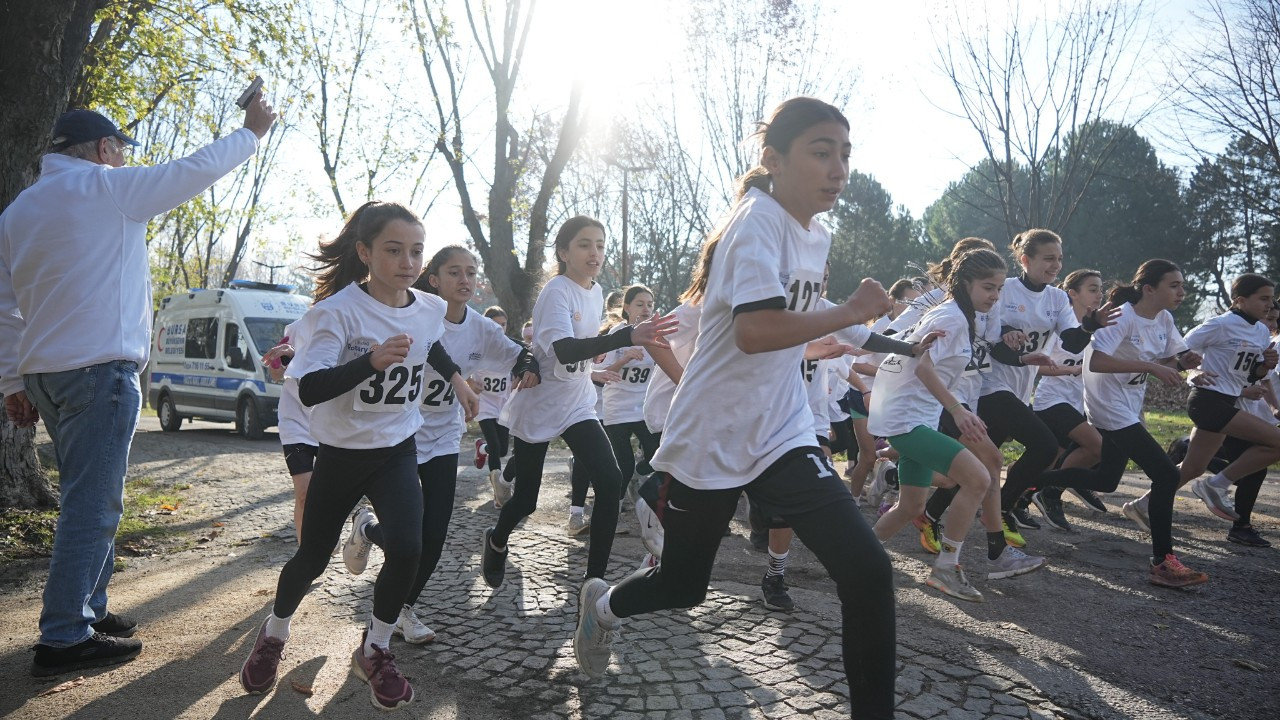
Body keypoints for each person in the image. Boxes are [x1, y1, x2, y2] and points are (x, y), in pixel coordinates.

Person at [571, 97, 897, 720]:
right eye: (822, 153)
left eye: (846, 155)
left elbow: (797, 322)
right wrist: (852, 312)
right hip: (710, 436)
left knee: (867, 571)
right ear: (773, 160)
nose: (839, 169)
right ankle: (603, 606)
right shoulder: (756, 221)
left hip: (782, 431)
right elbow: (755, 331)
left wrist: (865, 336)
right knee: (683, 585)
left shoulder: (818, 234)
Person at [1, 97, 276, 677]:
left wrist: (11, 379)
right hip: (100, 372)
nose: (125, 161)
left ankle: (89, 609)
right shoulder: (106, 188)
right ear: (103, 150)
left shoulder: (18, 212)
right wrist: (250, 134)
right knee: (92, 503)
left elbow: (4, 307)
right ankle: (62, 637)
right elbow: (192, 171)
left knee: (93, 495)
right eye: (121, 151)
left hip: (46, 376)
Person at [238, 201, 461, 710]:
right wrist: (370, 361)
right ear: (364, 252)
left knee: (410, 546)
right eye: (394, 250)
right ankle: (274, 632)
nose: (408, 261)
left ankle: (375, 648)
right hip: (340, 452)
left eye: (416, 251)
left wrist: (458, 383)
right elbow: (311, 387)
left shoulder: (428, 308)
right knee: (311, 559)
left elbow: (431, 347)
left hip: (397, 449)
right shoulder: (335, 313)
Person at [341, 245, 529, 645]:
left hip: (444, 433)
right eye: (454, 272)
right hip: (402, 431)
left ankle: (402, 609)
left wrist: (531, 365)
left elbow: (518, 355)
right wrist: (461, 379)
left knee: (436, 532)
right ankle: (369, 528)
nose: (465, 280)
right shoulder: (416, 313)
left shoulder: (481, 327)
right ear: (434, 279)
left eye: (471, 273)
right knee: (408, 534)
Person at [480, 216, 676, 588]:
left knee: (609, 477)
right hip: (540, 403)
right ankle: (496, 538)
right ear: (564, 252)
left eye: (600, 244)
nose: (595, 252)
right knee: (526, 501)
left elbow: (584, 357)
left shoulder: (596, 290)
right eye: (585, 244)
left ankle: (594, 582)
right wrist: (627, 335)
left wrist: (600, 368)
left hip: (578, 403)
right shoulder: (557, 290)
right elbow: (567, 351)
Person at [871, 248, 1046, 601]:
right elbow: (922, 367)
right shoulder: (951, 318)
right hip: (909, 421)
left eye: (998, 288)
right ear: (964, 283)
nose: (995, 296)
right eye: (987, 288)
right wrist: (958, 411)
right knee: (979, 477)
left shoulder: (960, 316)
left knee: (911, 507)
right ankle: (946, 567)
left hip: (918, 418)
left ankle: (854, 553)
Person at [1084, 259, 1212, 588]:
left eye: (1182, 285)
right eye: (1174, 285)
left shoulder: (1165, 318)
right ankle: (1162, 562)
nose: (1182, 291)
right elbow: (1096, 361)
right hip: (1107, 404)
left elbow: (1179, 357)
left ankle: (1030, 485)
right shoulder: (1122, 315)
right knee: (1167, 474)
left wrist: (1190, 364)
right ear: (1149, 289)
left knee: (1106, 478)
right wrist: (1152, 367)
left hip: (1129, 404)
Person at [1156, 275, 1280, 523]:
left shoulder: (1260, 332)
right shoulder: (1220, 324)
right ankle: (1216, 484)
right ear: (1241, 300)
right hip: (1206, 401)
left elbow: (1249, 375)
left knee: (1192, 468)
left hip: (1228, 401)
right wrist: (1195, 371)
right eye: (1263, 298)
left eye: (1271, 298)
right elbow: (1176, 353)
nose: (1269, 305)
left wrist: (1264, 367)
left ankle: (1143, 503)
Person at [1026, 269, 1111, 524]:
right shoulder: (1058, 329)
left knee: (1051, 458)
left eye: (1100, 289)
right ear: (1072, 294)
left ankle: (1016, 501)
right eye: (1092, 289)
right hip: (1051, 400)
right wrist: (1070, 369)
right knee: (1096, 447)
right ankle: (1051, 493)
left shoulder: (1098, 329)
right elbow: (1034, 365)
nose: (1099, 295)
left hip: (1080, 403)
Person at [471, 306, 518, 506]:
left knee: (502, 451)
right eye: (495, 324)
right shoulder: (477, 347)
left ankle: (482, 449)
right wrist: (469, 382)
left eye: (503, 324)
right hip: (484, 404)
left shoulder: (510, 348)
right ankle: (498, 492)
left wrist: (516, 383)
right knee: (497, 446)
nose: (500, 328)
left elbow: (519, 369)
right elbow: (460, 367)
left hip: (503, 403)